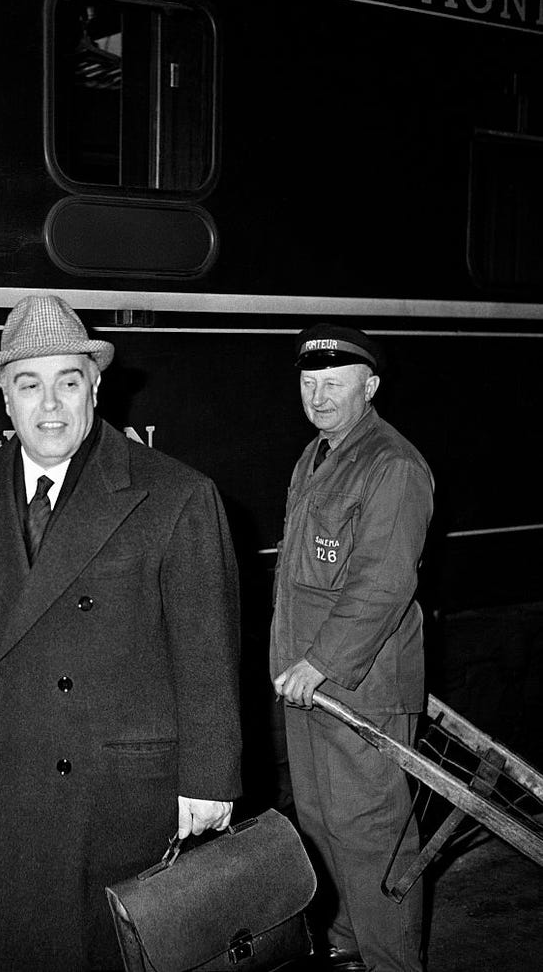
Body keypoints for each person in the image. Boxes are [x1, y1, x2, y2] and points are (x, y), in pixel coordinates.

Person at [0, 294, 243, 971]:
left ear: (95, 388)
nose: (50, 406)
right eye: (28, 385)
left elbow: (207, 653)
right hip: (1, 783)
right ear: (3, 401)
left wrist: (210, 780)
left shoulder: (175, 494)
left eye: (69, 382)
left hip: (116, 791)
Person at [271, 323, 434, 972]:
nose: (319, 396)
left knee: (371, 839)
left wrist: (323, 662)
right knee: (320, 827)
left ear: (369, 386)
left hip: (357, 689)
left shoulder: (391, 465)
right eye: (310, 384)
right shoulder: (316, 456)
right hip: (307, 685)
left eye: (334, 385)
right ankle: (344, 949)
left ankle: (391, 962)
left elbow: (384, 582)